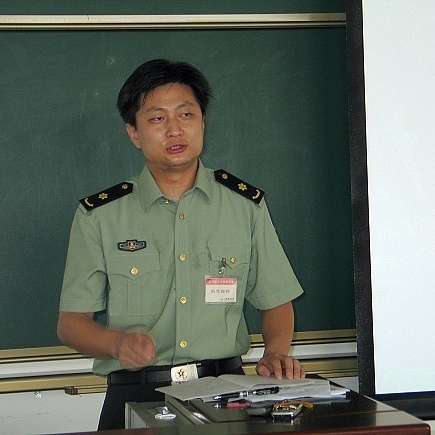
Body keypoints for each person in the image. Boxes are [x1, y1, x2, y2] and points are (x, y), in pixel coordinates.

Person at [57, 59, 305, 430]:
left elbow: (276, 301)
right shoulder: (100, 216)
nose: (175, 129)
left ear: (202, 122)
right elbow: (71, 324)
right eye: (157, 118)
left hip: (225, 396)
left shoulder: (244, 206)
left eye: (186, 114)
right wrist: (116, 344)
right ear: (134, 133)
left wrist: (275, 352)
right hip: (136, 394)